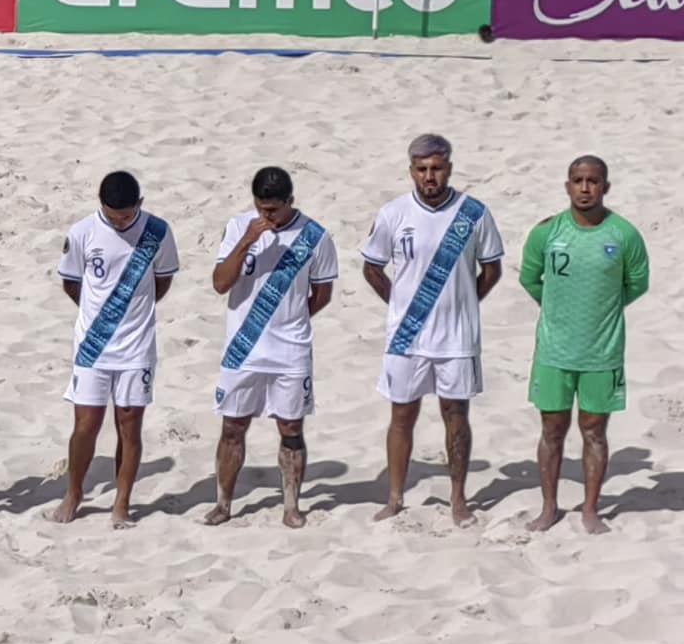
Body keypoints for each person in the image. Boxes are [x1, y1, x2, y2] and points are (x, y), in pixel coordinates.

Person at [362, 133, 503, 527]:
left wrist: (466, 304)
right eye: (422, 169)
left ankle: (459, 500)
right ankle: (394, 497)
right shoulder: (392, 214)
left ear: (449, 169)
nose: (430, 176)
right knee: (401, 415)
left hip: (457, 337)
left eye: (437, 168)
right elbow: (372, 267)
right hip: (406, 337)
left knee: (455, 414)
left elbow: (491, 269)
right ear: (411, 171)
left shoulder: (474, 213)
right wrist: (398, 305)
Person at [519, 156, 651, 535]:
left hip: (602, 351)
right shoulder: (547, 232)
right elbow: (530, 277)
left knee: (594, 431)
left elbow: (637, 283)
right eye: (578, 180)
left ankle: (590, 509)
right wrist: (557, 308)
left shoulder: (623, 234)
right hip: (554, 351)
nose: (585, 187)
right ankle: (549, 507)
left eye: (593, 181)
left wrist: (604, 309)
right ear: (567, 186)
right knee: (552, 430)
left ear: (605, 187)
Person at [205, 166, 337, 529]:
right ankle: (223, 503)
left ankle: (291, 506)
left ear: (290, 202)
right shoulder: (238, 227)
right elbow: (220, 283)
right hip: (242, 347)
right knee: (233, 426)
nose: (267, 216)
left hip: (290, 348)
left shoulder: (315, 237)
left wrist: (290, 320)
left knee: (291, 428)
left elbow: (321, 294)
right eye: (262, 208)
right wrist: (247, 240)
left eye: (274, 210)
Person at [55, 170, 180, 528]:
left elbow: (163, 279)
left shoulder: (158, 231)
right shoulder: (83, 232)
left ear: (139, 205)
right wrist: (98, 316)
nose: (119, 222)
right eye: (112, 216)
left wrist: (133, 311)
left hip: (136, 345)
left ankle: (122, 503)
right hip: (93, 344)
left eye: (126, 216)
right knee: (85, 425)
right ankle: (74, 492)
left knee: (129, 425)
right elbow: (71, 281)